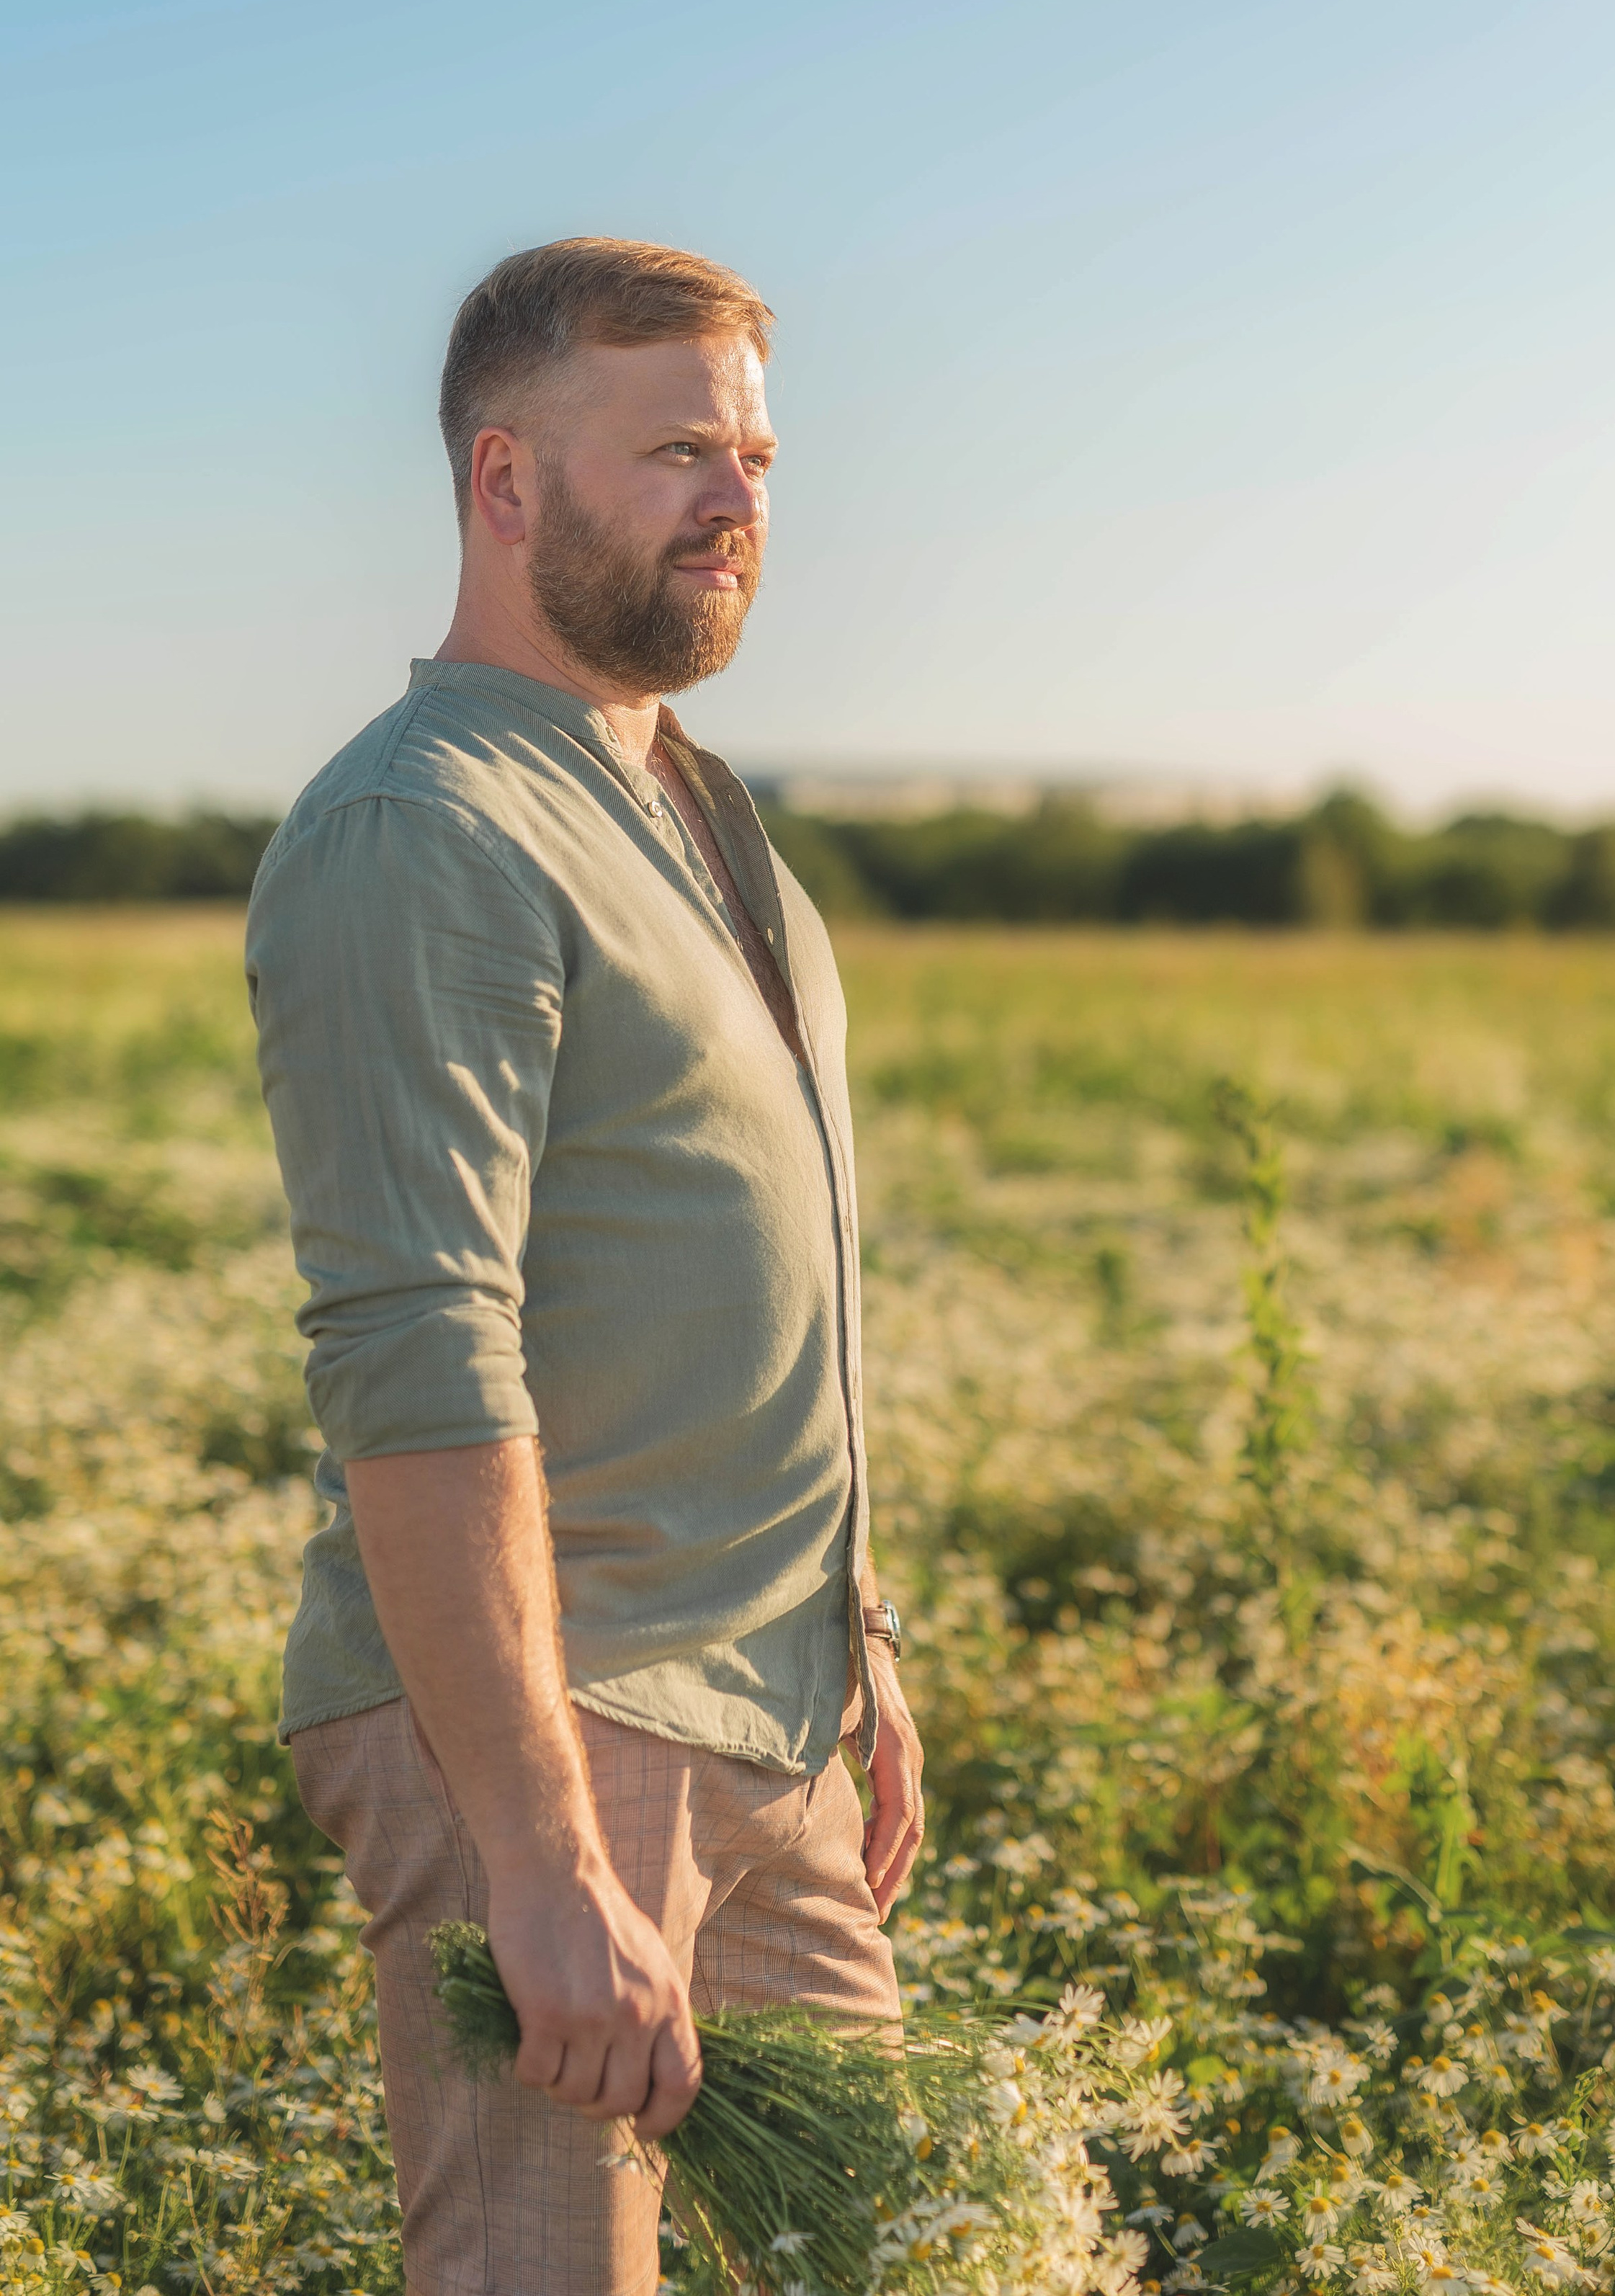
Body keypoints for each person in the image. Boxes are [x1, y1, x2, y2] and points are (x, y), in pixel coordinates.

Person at [246, 238, 925, 2296]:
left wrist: (850, 1625)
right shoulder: (426, 824)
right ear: (506, 479)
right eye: (678, 452)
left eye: (758, 453)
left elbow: (724, 1273)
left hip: (764, 1721)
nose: (739, 501)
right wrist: (536, 1859)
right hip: (543, 1731)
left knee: (898, 2255)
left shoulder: (706, 821)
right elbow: (418, 1346)